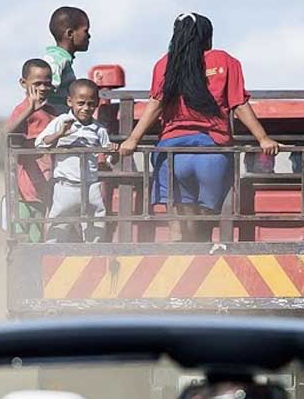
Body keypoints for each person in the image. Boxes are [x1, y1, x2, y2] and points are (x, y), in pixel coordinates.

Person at [118, 12, 280, 242]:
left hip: (171, 155)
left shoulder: (165, 63)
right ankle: (201, 260)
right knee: (203, 230)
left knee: (179, 229)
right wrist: (263, 138)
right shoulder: (225, 61)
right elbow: (239, 104)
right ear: (207, 38)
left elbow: (156, 104)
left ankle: (179, 261)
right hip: (212, 152)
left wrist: (132, 139)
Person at [35, 78, 117, 242]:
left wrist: (111, 151)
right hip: (66, 185)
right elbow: (40, 144)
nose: (86, 108)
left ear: (97, 103)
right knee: (58, 223)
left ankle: (94, 254)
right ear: (69, 101)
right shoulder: (61, 122)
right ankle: (54, 256)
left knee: (96, 222)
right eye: (80, 103)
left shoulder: (99, 129)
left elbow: (108, 156)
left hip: (90, 185)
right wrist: (60, 134)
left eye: (91, 104)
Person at [3, 58, 59, 242]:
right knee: (26, 241)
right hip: (23, 192)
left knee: (40, 238)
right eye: (37, 84)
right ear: (23, 83)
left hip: (45, 189)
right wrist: (30, 109)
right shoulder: (21, 110)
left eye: (47, 84)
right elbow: (6, 133)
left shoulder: (52, 113)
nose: (43, 88)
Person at [42, 6, 92, 114]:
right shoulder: (56, 60)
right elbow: (43, 92)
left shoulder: (63, 60)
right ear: (70, 34)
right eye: (85, 31)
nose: (89, 36)